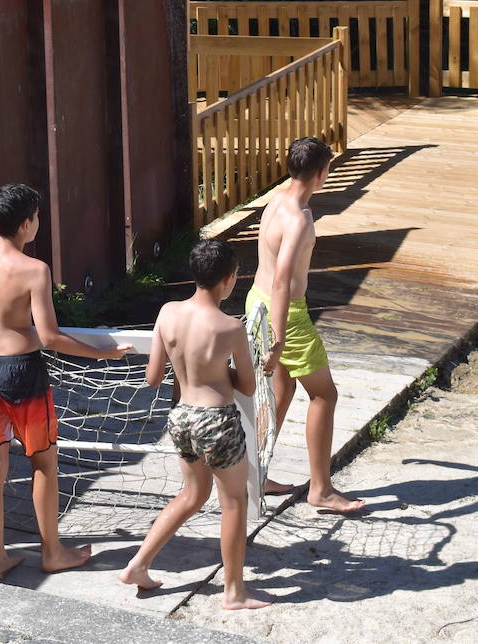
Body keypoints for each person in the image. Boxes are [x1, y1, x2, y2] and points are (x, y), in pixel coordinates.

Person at [0, 183, 131, 581]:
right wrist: (105, 354)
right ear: (27, 223)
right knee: (44, 462)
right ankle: (52, 552)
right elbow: (50, 336)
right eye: (38, 217)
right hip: (20, 373)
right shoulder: (34, 270)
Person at [119, 238, 272, 610]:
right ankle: (234, 592)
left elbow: (153, 377)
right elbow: (248, 387)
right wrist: (224, 372)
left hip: (181, 417)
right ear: (228, 279)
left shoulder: (168, 312)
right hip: (217, 419)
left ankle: (138, 565)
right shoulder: (230, 327)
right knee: (234, 502)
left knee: (192, 494)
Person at [246, 136, 364, 514]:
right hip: (287, 314)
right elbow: (283, 279)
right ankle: (321, 489)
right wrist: (279, 338)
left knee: (279, 391)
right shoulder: (299, 217)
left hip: (255, 299)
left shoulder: (276, 200)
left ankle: (257, 475)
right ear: (321, 173)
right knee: (324, 395)